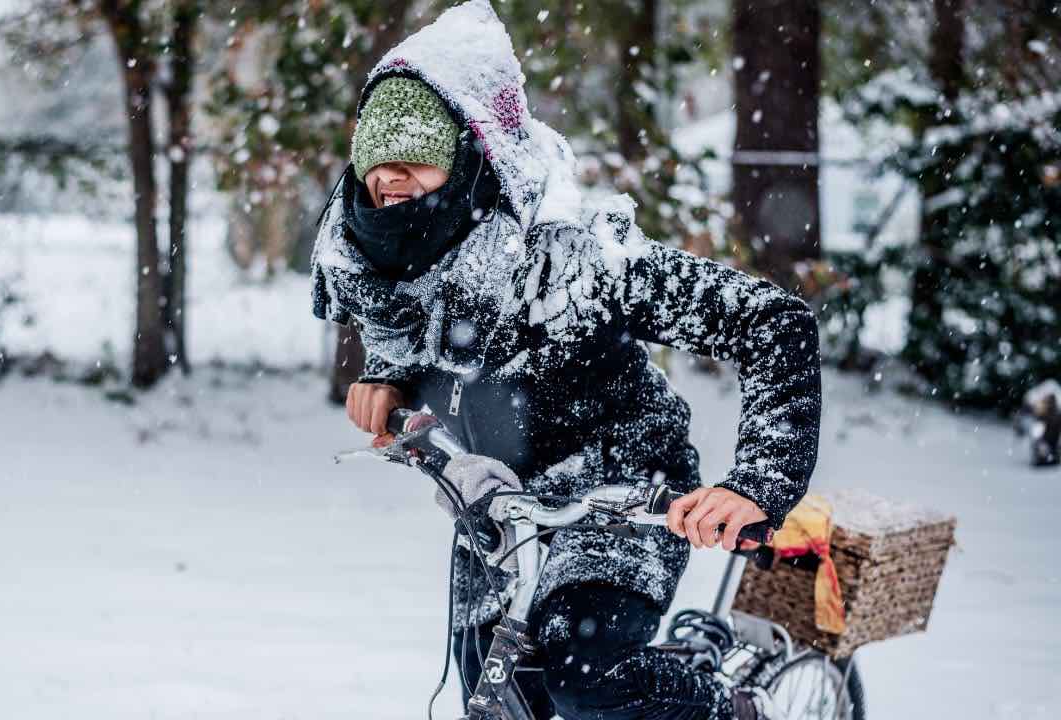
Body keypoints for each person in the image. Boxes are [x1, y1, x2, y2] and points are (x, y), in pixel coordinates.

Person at [310, 3, 821, 718]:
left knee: (581, 682)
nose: (389, 178)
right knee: (501, 694)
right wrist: (390, 376)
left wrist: (758, 483)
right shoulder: (383, 261)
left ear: (469, 157)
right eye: (375, 158)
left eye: (415, 156)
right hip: (501, 510)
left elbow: (772, 323)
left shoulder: (580, 264)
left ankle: (733, 709)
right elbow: (426, 337)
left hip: (621, 496)